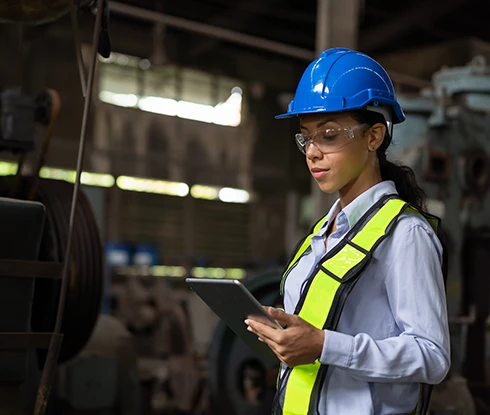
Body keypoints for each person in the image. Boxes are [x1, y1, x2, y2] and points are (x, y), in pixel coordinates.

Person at [245, 47, 450, 415]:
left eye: (329, 135)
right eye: (306, 137)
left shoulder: (405, 234)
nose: (312, 152)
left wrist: (325, 346)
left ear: (374, 137)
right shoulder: (324, 234)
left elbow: (432, 356)